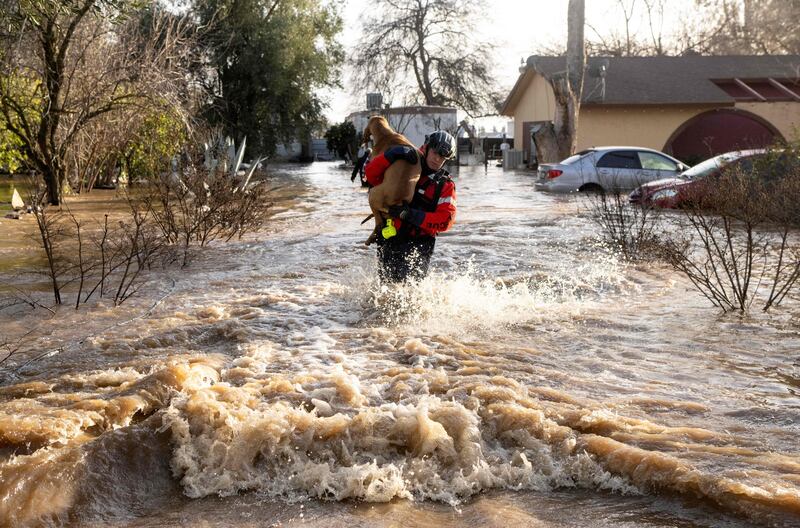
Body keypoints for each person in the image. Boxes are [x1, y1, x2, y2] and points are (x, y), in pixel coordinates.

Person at [364, 130, 457, 283]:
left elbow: (446, 221)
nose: (437, 158)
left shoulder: (445, 185)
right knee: (385, 290)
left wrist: (410, 215)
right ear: (426, 147)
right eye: (435, 152)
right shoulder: (403, 163)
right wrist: (390, 156)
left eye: (443, 157)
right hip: (390, 237)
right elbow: (371, 176)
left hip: (419, 244)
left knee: (410, 293)